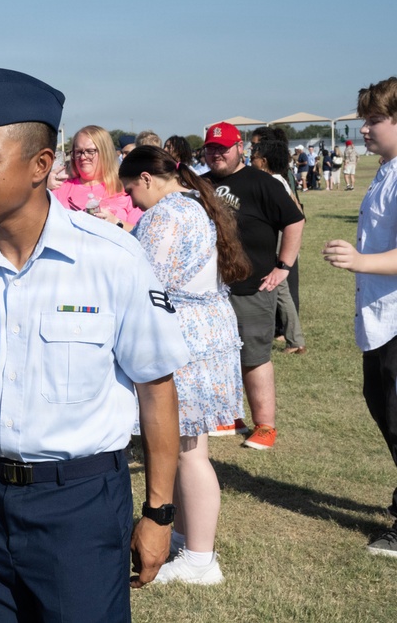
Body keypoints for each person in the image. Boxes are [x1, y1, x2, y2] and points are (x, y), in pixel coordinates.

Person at [0, 68, 187, 622]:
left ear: (41, 165)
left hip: (81, 504)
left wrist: (159, 514)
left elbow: (156, 388)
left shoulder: (112, 260)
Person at [120, 146, 250, 585]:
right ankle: (185, 536)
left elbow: (146, 275)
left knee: (190, 450)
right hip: (204, 331)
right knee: (182, 447)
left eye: (131, 191)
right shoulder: (193, 203)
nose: (133, 201)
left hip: (187, 338)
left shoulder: (168, 214)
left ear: (147, 179)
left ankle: (200, 558)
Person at [322, 76, 397, 558]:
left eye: (373, 120)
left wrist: (360, 261)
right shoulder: (386, 170)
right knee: (382, 404)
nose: (363, 129)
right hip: (380, 317)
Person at [202, 122, 305, 450]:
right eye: (211, 148)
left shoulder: (262, 183)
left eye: (224, 148)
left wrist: (283, 267)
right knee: (217, 355)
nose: (217, 154)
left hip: (252, 287)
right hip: (209, 291)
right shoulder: (200, 184)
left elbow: (295, 220)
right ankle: (230, 415)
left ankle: (266, 425)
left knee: (254, 356)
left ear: (239, 148)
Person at [250, 140, 307, 355]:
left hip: (275, 241)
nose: (250, 159)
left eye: (253, 156)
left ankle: (295, 340)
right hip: (279, 240)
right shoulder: (279, 179)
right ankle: (293, 338)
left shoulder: (269, 181)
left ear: (263, 161)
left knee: (280, 290)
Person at [52, 125, 142, 231]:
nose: (83, 157)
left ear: (105, 152)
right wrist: (42, 187)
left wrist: (116, 222)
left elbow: (141, 233)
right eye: (78, 152)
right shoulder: (59, 188)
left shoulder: (127, 189)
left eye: (90, 151)